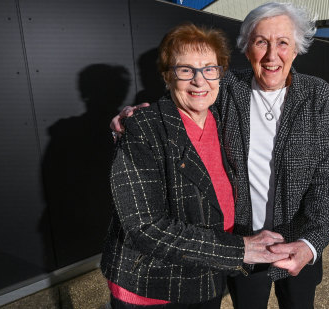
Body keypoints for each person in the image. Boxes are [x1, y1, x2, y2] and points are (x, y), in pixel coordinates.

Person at [112, 2, 329, 309]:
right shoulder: (228, 87)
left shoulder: (317, 95)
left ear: (297, 48)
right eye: (261, 42)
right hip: (242, 241)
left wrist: (311, 242)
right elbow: (186, 103)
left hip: (297, 241)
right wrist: (133, 117)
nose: (272, 55)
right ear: (247, 49)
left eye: (283, 43)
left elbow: (328, 177)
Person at [101, 23, 289, 309]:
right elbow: (145, 227)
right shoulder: (144, 128)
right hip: (152, 285)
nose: (199, 81)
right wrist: (241, 249)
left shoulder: (222, 119)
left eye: (209, 69)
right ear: (168, 76)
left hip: (206, 277)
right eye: (186, 70)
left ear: (220, 74)